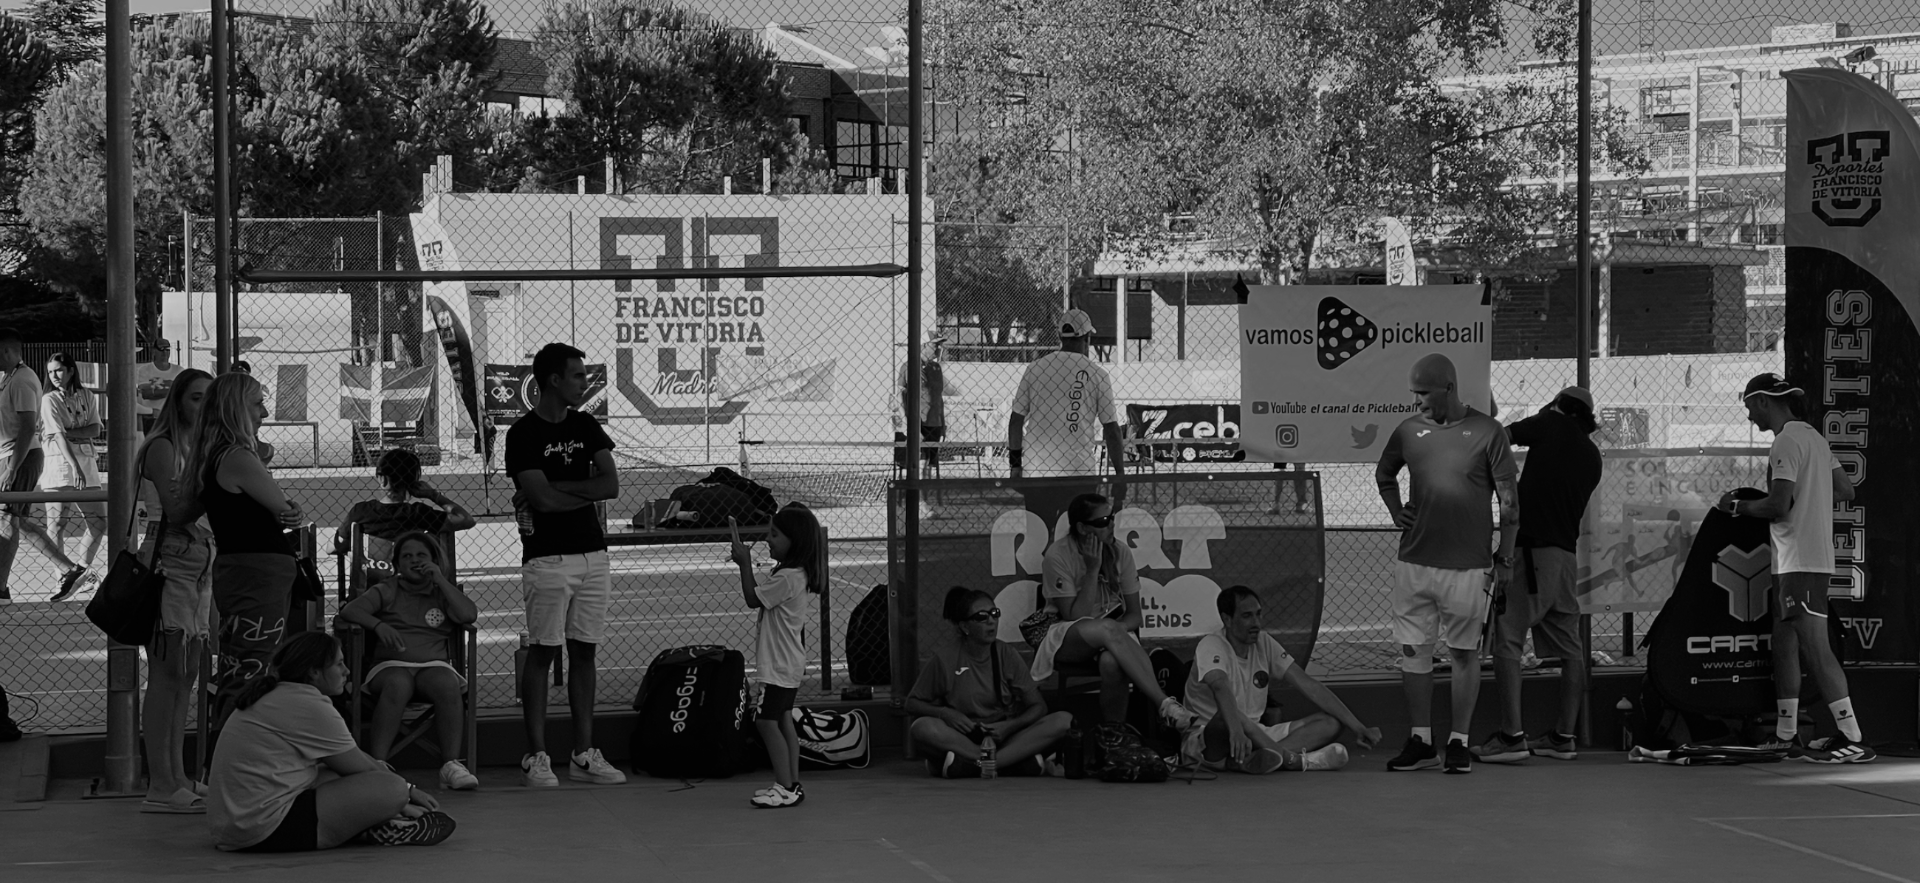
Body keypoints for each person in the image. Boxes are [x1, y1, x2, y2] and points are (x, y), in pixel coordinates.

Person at [1719, 373, 1874, 763]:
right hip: (1798, 559)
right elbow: (1846, 490)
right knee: (1784, 642)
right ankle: (1787, 734)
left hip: (1801, 561)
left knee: (1815, 650)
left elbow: (1777, 506)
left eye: (1749, 408)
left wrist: (1736, 507)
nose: (1750, 417)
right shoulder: (1815, 439)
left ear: (1762, 402)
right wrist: (1812, 494)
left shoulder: (1785, 441)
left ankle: (1852, 735)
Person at [1375, 353, 1518, 774]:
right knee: (1413, 653)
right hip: (1414, 564)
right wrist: (1394, 508)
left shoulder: (1488, 432)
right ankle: (1421, 741)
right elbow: (1384, 474)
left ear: (1449, 388)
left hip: (1469, 568)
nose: (1417, 400)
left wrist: (1505, 557)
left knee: (1462, 653)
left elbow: (1509, 503)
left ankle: (1459, 741)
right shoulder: (1407, 431)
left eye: (1423, 392)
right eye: (1413, 393)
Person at [208, 632, 455, 851]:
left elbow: (345, 765)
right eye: (338, 664)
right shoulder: (308, 704)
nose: (346, 671)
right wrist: (408, 792)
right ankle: (375, 825)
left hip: (234, 828)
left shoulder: (278, 694)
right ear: (314, 672)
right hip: (265, 830)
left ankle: (382, 821)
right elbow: (366, 768)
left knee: (335, 772)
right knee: (391, 787)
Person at [507, 342, 625, 787]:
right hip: (548, 558)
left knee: (585, 651)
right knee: (542, 652)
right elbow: (540, 500)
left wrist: (558, 484)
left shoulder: (587, 425)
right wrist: (579, 487)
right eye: (577, 375)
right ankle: (537, 754)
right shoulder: (523, 435)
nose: (584, 382)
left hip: (593, 555)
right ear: (553, 380)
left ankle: (583, 752)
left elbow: (611, 485)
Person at [1475, 387, 1601, 765]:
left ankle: (1512, 736)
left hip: (1529, 555)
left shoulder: (1550, 424)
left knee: (1507, 642)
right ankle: (1564, 735)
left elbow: (1503, 437)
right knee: (1570, 650)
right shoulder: (1592, 456)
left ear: (1559, 405)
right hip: (1565, 559)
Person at [183, 372, 303, 723]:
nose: (263, 414)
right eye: (257, 404)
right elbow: (284, 508)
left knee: (244, 660)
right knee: (252, 665)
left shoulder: (216, 454)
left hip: (245, 568)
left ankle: (230, 753)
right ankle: (231, 754)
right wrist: (287, 507)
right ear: (236, 409)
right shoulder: (236, 456)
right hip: (257, 570)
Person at [1030, 493, 1196, 730]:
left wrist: (1112, 637)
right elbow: (1074, 616)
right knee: (1107, 629)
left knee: (1112, 662)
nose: (1111, 525)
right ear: (1082, 528)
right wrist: (1092, 570)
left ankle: (1114, 736)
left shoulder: (1121, 552)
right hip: (1067, 635)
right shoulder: (1057, 555)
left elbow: (1135, 615)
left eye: (1112, 517)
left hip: (1112, 631)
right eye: (1102, 521)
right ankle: (1164, 704)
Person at [338, 531, 479, 789]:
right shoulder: (388, 588)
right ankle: (378, 763)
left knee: (448, 684)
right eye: (407, 556)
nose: (414, 560)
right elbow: (350, 610)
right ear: (397, 564)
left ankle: (451, 765)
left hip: (432, 665)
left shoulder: (441, 592)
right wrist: (378, 625)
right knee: (398, 684)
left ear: (434, 560)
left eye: (421, 555)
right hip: (390, 666)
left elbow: (468, 614)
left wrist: (441, 580)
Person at [1186, 586, 1381, 773]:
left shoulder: (1264, 641)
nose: (1256, 622)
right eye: (1247, 616)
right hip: (1208, 739)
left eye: (1258, 614)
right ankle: (1293, 761)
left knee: (1330, 723)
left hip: (1254, 733)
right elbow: (1220, 687)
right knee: (1231, 715)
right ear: (1227, 620)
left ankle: (1257, 758)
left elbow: (1309, 685)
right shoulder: (1211, 644)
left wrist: (1358, 727)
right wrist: (1236, 731)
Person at [135, 368, 215, 813]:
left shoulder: (197, 446)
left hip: (199, 562)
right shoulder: (162, 447)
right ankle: (160, 783)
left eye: (209, 399)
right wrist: (218, 486)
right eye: (196, 399)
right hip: (171, 560)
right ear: (178, 403)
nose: (202, 408)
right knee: (166, 676)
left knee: (186, 673)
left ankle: (177, 776)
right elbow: (178, 509)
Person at [905, 587, 1073, 778]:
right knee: (921, 728)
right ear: (965, 627)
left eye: (994, 613)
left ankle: (978, 765)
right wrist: (945, 713)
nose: (991, 621)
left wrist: (1010, 726)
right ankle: (1011, 764)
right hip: (964, 738)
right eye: (981, 617)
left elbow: (1038, 707)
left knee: (1063, 720)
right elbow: (912, 703)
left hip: (1004, 736)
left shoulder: (1007, 654)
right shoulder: (944, 659)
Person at [730, 504, 823, 807]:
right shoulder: (795, 574)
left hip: (778, 665)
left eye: (775, 534)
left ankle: (784, 786)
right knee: (783, 720)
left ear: (793, 540)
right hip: (789, 663)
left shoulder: (788, 577)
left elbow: (751, 598)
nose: (769, 539)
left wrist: (744, 564)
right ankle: (791, 784)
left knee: (765, 722)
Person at [1008, 308, 1125, 530]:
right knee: (1081, 538)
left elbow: (1016, 421)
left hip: (1038, 470)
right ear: (1087, 337)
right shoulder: (1098, 374)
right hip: (1078, 471)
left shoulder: (1035, 369)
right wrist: (1120, 474)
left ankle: (1040, 563)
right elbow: (1111, 428)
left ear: (1060, 337)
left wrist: (1015, 464)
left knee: (1038, 536)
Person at [0, 329, 88, 603]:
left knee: (9, 519)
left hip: (21, 456)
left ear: (6, 351)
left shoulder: (23, 379)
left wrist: (12, 467)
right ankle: (69, 569)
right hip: (9, 455)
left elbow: (28, 426)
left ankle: (2, 588)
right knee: (13, 520)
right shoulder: (7, 377)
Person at [333, 447, 477, 578]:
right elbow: (466, 519)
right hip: (411, 587)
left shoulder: (361, 511)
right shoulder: (419, 513)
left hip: (371, 586)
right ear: (413, 482)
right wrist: (433, 495)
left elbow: (334, 547)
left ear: (381, 479)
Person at [40, 352, 107, 596]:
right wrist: (73, 464)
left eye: (58, 370)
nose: (54, 376)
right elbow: (57, 435)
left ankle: (81, 571)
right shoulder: (49, 399)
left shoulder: (87, 395)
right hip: (59, 464)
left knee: (99, 522)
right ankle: (63, 575)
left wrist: (71, 433)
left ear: (70, 370)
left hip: (87, 463)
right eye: (50, 372)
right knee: (57, 522)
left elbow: (95, 428)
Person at [135, 339, 184, 430]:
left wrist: (156, 388)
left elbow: (181, 393)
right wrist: (172, 387)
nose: (165, 352)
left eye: (167, 349)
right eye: (161, 349)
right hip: (151, 417)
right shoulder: (144, 370)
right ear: (154, 351)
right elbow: (146, 393)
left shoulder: (179, 370)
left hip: (172, 416)